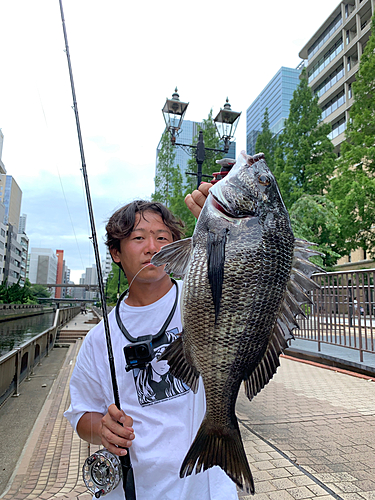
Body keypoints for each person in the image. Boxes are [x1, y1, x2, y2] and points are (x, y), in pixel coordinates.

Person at [64, 183, 239, 500]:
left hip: (207, 487)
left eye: (162, 238)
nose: (152, 247)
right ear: (116, 253)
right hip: (133, 489)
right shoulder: (97, 339)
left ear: (178, 246)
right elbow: (82, 416)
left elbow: (247, 279)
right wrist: (101, 429)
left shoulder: (206, 298)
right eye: (138, 238)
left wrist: (227, 231)